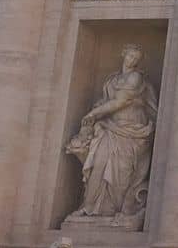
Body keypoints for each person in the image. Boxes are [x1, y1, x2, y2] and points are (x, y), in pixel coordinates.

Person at [66, 45, 157, 222]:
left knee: (122, 173)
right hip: (110, 128)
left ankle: (113, 210)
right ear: (124, 55)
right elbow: (107, 101)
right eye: (130, 56)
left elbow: (121, 102)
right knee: (98, 163)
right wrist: (95, 113)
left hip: (132, 131)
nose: (133, 60)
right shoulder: (113, 79)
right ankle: (89, 207)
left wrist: (94, 113)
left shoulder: (136, 77)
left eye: (136, 58)